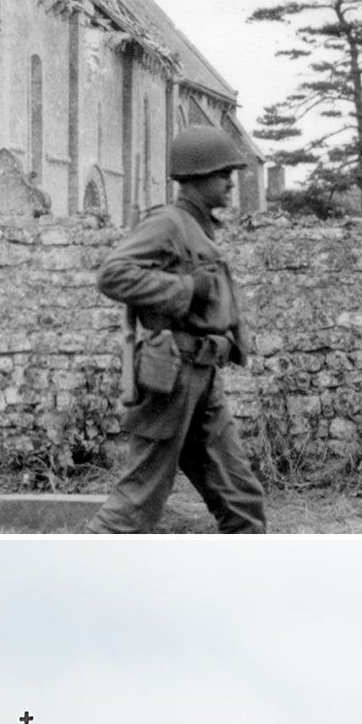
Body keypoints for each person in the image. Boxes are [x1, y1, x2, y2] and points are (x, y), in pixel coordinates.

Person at [92, 124, 267, 535]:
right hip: (170, 381)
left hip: (203, 381)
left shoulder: (199, 227)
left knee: (243, 502)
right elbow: (112, 275)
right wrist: (185, 288)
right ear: (196, 176)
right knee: (135, 507)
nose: (230, 182)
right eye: (223, 174)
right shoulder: (169, 223)